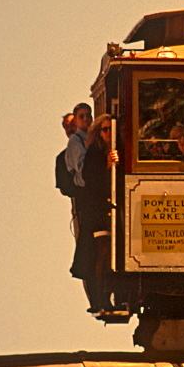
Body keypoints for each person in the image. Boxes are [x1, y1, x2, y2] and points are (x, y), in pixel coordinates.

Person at [79, 115, 119, 313]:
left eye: (111, 129)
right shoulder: (93, 153)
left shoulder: (112, 150)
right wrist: (107, 165)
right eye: (104, 130)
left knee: (109, 255)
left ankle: (105, 298)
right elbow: (91, 180)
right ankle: (99, 299)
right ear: (98, 133)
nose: (109, 133)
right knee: (101, 254)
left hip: (109, 211)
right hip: (96, 212)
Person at [55, 113, 77, 199]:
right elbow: (64, 189)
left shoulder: (95, 147)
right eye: (66, 126)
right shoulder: (61, 158)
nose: (70, 129)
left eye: (73, 125)